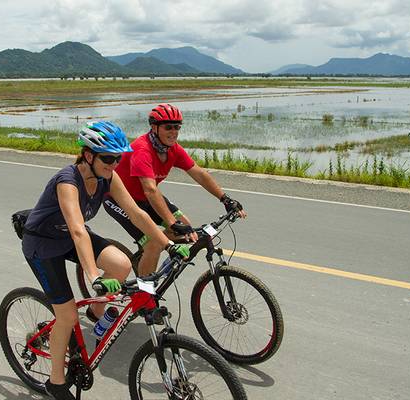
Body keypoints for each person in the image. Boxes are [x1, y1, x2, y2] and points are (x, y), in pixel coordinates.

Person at [21, 121, 188, 400]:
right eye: (108, 158)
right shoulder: (67, 181)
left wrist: (168, 245)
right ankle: (56, 382)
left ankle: (98, 316)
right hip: (43, 245)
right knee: (66, 315)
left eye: (118, 158)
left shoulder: (107, 177)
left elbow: (136, 214)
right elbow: (77, 229)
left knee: (122, 264)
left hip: (69, 238)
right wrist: (93, 277)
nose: (114, 164)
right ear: (88, 156)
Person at [103, 103, 247, 276]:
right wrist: (171, 223)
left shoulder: (173, 149)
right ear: (154, 127)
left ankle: (156, 269)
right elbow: (150, 189)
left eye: (177, 127)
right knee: (154, 243)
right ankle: (143, 296)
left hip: (146, 198)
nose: (174, 131)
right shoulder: (142, 150)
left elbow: (199, 174)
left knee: (186, 227)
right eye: (168, 127)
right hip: (120, 200)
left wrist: (225, 198)